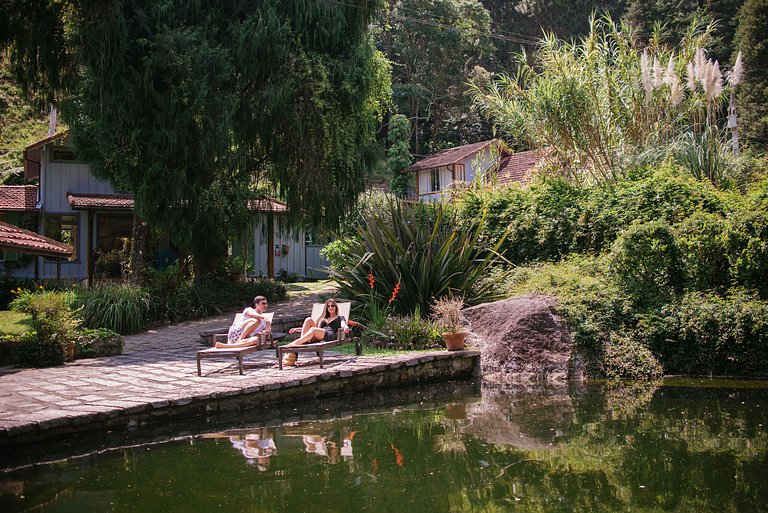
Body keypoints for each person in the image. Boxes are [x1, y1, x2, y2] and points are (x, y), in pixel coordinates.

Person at [281, 298, 348, 367]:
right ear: (326, 308)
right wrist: (297, 329)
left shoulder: (340, 317)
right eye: (328, 306)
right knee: (308, 319)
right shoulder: (323, 318)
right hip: (318, 334)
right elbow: (312, 330)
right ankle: (301, 343)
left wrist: (345, 327)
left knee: (313, 329)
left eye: (332, 305)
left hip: (329, 335)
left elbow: (343, 324)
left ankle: (295, 343)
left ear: (336, 307)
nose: (330, 307)